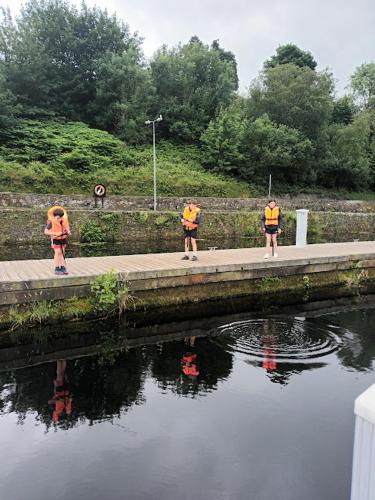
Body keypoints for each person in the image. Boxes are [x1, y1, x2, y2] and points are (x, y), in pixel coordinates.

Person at [44, 206, 71, 275]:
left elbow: (67, 228)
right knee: (57, 252)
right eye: (57, 218)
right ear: (54, 216)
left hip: (63, 238)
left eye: (60, 218)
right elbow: (46, 232)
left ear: (62, 217)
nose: (59, 220)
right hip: (55, 239)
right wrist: (56, 233)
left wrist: (68, 232)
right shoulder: (50, 222)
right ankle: (57, 268)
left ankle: (62, 267)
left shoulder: (64, 220)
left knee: (62, 252)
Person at [48, 360, 72, 424]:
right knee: (60, 373)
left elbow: (70, 399)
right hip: (62, 390)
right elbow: (69, 399)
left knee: (62, 373)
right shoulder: (60, 410)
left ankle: (62, 360)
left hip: (64, 390)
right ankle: (59, 360)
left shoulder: (66, 410)